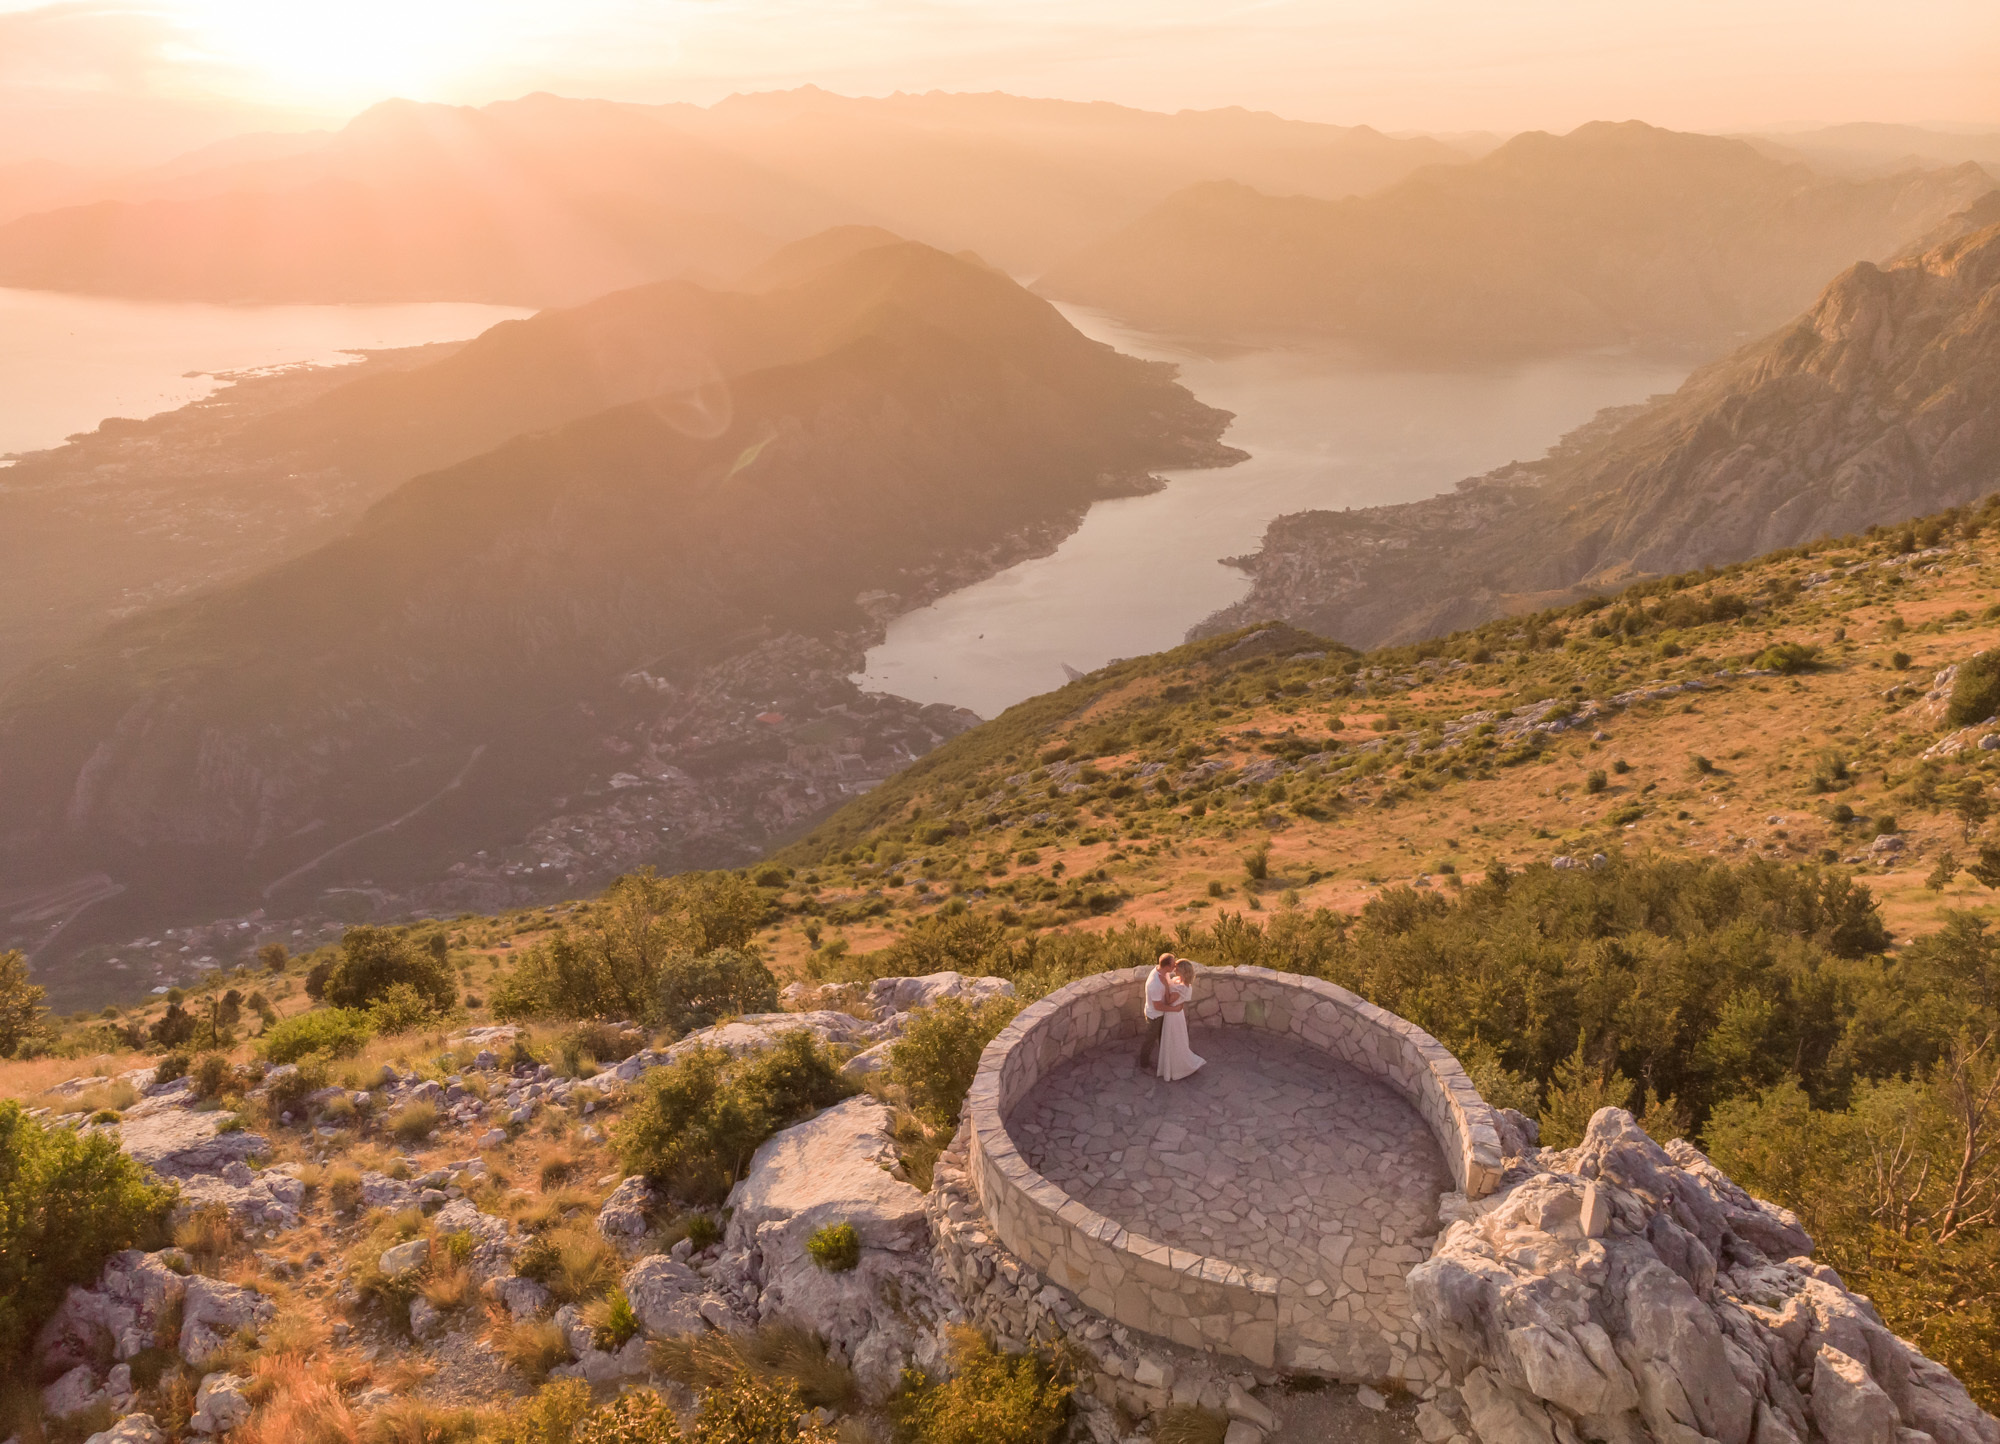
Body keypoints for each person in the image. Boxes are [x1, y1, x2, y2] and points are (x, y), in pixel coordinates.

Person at [1157, 957, 1206, 1081]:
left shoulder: (1183, 987)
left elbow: (1168, 1001)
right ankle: (1170, 1067)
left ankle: (1180, 1068)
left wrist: (1165, 985)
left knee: (1175, 1040)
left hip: (1173, 1017)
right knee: (1171, 1040)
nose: (1174, 968)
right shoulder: (1177, 979)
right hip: (1173, 1014)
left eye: (1177, 967)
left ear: (1183, 971)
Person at [1137, 952, 1178, 1072]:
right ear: (1167, 967)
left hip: (1160, 1013)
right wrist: (1174, 1009)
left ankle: (1164, 1061)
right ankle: (1144, 1063)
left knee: (1163, 1036)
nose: (1175, 966)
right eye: (1173, 965)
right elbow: (1158, 1006)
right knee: (1150, 1039)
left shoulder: (1162, 973)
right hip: (1154, 1016)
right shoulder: (1155, 984)